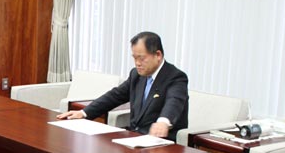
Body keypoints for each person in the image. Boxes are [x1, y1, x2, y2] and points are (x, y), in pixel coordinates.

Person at [57, 31, 188, 140]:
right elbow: (115, 96)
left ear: (158, 55)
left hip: (162, 144)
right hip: (134, 139)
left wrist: (163, 122)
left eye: (141, 58)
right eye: (134, 58)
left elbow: (174, 101)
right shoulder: (137, 75)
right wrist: (84, 112)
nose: (137, 63)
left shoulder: (176, 77)